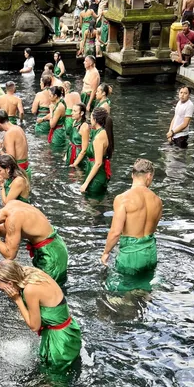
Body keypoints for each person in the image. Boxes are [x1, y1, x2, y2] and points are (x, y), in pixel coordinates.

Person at [0, 260, 81, 371]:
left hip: (59, 343)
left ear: (10, 284)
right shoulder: (31, 272)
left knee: (54, 381)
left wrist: (17, 299)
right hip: (69, 330)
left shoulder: (30, 290)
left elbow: (34, 326)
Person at [0, 201, 69, 286]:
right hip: (55, 244)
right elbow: (7, 232)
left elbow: (10, 255)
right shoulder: (12, 204)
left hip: (51, 254)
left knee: (48, 289)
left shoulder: (13, 220)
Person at [102, 158, 163, 291]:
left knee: (123, 294)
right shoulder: (157, 201)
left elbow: (115, 232)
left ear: (132, 175)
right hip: (151, 254)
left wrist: (106, 252)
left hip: (131, 256)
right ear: (149, 176)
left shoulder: (123, 199)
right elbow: (153, 228)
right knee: (144, 290)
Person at [80, 106, 113, 196]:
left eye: (90, 117)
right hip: (96, 172)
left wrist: (86, 183)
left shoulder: (99, 137)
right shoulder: (102, 132)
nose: (89, 119)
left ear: (94, 119)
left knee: (92, 203)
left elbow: (98, 163)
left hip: (96, 176)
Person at [0, 110, 33, 179]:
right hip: (26, 169)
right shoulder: (18, 128)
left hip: (18, 173)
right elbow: (25, 148)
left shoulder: (9, 133)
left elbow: (10, 160)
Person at [46, 84, 68, 151]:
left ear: (55, 96)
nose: (49, 98)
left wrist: (51, 110)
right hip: (60, 130)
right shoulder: (61, 102)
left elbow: (52, 125)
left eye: (50, 96)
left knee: (55, 150)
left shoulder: (59, 107)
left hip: (58, 133)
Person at [67, 102, 88, 168]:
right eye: (72, 110)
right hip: (71, 152)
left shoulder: (84, 127)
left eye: (75, 111)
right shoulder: (74, 122)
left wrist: (75, 164)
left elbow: (84, 149)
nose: (72, 113)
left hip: (78, 157)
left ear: (81, 113)